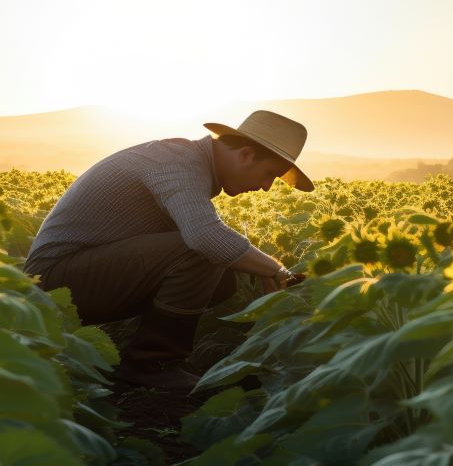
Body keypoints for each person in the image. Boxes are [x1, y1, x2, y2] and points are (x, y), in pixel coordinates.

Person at [23, 110, 314, 391]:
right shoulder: (177, 163)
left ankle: (137, 340)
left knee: (223, 277)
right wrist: (278, 271)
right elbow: (204, 237)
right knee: (200, 252)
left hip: (74, 275)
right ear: (246, 155)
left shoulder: (188, 161)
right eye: (270, 175)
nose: (266, 187)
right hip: (50, 283)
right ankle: (150, 363)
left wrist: (260, 268)